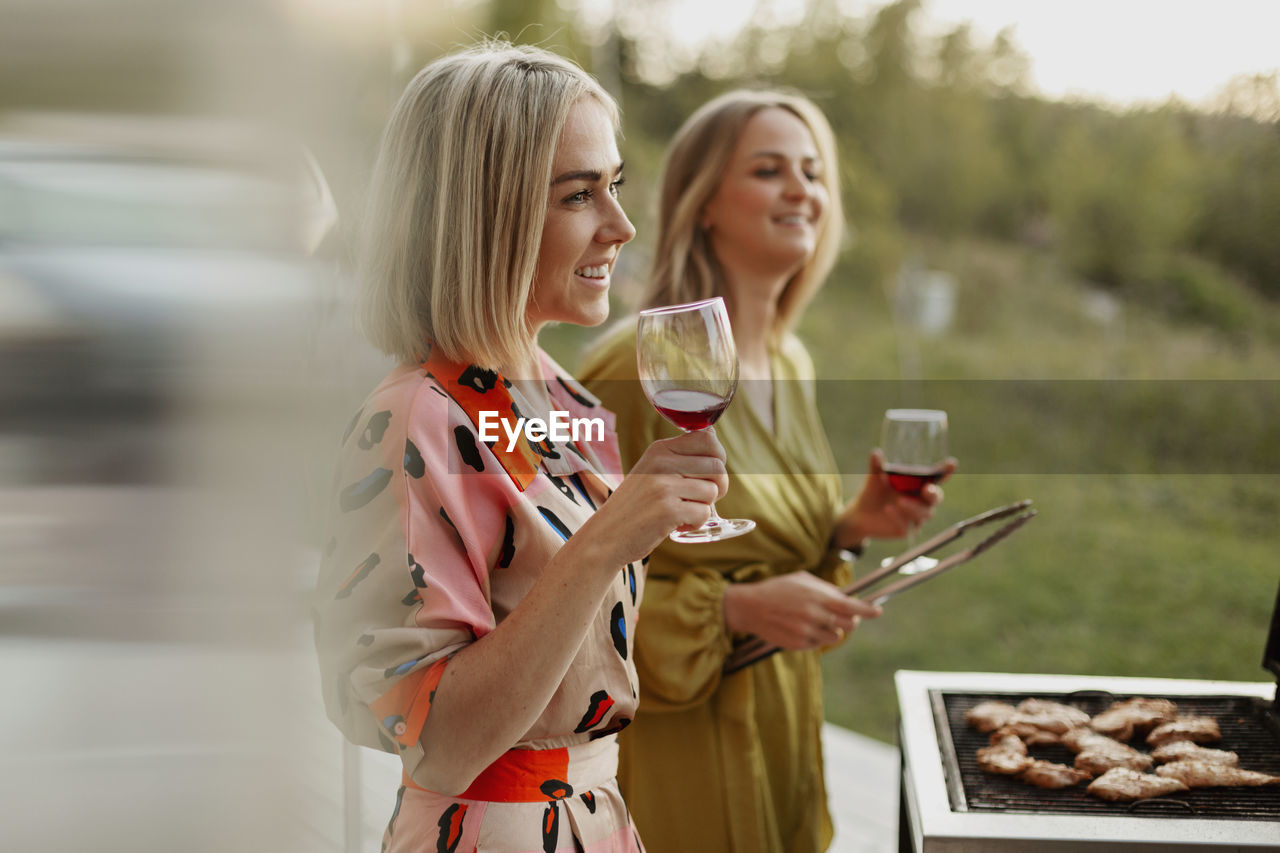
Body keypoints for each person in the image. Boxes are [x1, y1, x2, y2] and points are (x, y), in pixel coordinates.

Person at [312, 43, 730, 853]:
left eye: (615, 185)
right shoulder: (408, 422)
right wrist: (610, 536)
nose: (622, 225)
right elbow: (439, 742)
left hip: (591, 819)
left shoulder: (559, 399)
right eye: (580, 194)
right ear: (483, 213)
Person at [578, 89, 953, 852]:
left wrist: (849, 528)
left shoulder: (789, 360)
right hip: (680, 759)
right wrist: (733, 610)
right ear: (705, 201)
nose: (801, 189)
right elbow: (565, 599)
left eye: (813, 171)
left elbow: (773, 555)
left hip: (782, 730)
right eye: (769, 169)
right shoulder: (632, 368)